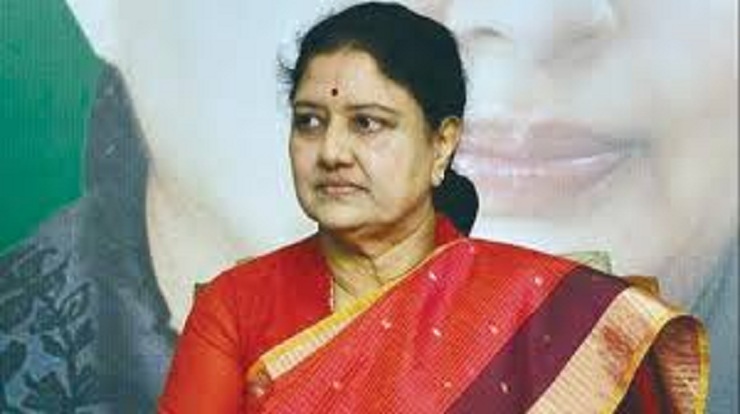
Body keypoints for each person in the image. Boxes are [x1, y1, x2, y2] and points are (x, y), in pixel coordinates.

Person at [158, 3, 708, 413]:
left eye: (367, 123)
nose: (331, 152)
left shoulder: (539, 310)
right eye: (309, 122)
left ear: (442, 144)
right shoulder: (239, 306)